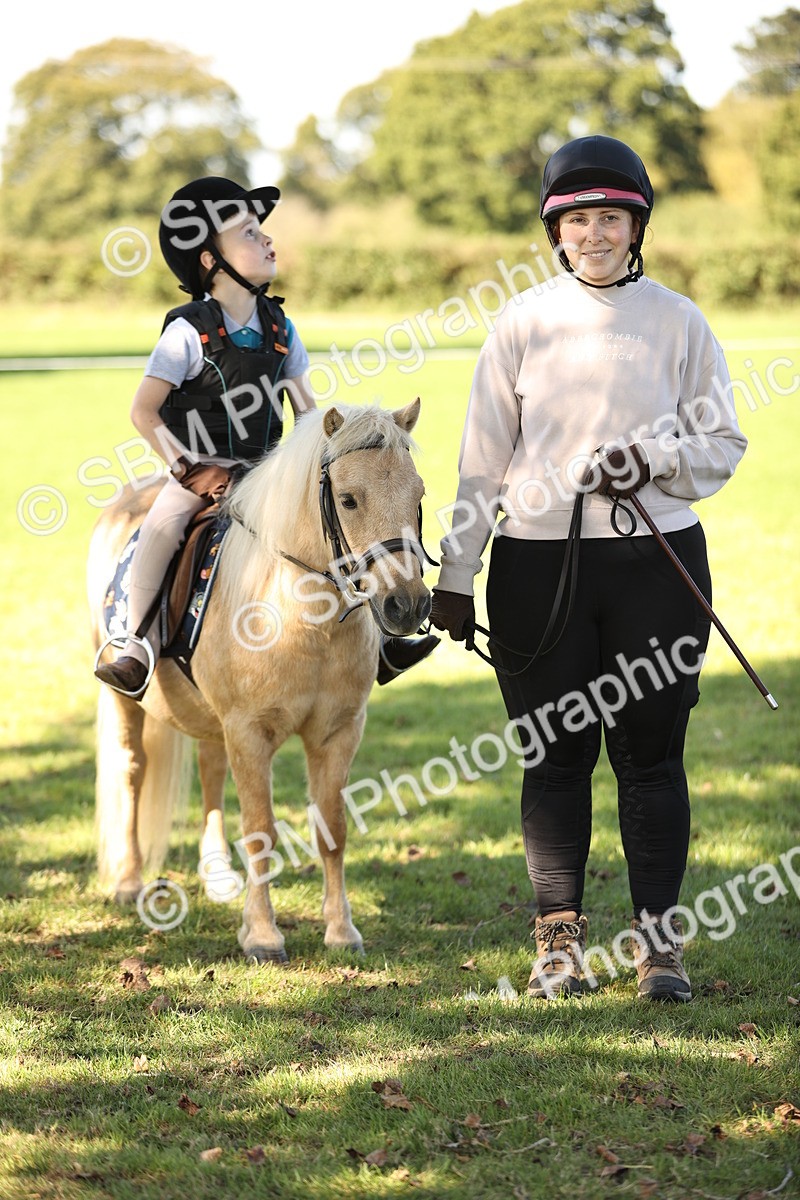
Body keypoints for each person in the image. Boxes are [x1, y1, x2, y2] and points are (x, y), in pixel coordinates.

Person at [429, 135, 747, 1002]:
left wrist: (650, 460)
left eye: (611, 218)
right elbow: (481, 464)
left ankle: (659, 948)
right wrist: (457, 574)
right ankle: (558, 946)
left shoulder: (680, 319)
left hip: (656, 565)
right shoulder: (521, 321)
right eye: (579, 221)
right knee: (555, 758)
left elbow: (724, 444)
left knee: (653, 756)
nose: (595, 235)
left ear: (636, 222)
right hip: (538, 569)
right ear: (555, 231)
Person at [95, 176, 438, 697]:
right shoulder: (186, 332)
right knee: (163, 529)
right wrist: (189, 471)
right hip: (196, 475)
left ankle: (382, 642)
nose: (268, 240)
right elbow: (143, 412)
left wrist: (347, 444)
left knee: (336, 537)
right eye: (250, 234)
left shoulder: (281, 328)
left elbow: (307, 414)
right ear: (211, 260)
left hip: (264, 475)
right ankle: (134, 642)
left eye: (263, 232)